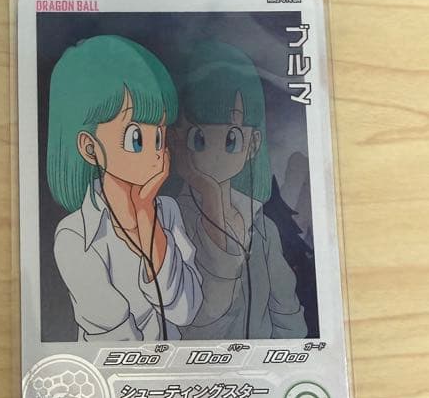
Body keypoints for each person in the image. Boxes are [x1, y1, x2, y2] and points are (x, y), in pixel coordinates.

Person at [46, 35, 201, 341]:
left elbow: (185, 311)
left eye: (159, 136)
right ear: (90, 147)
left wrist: (146, 216)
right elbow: (114, 342)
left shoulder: (167, 212)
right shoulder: (75, 236)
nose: (157, 152)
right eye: (136, 139)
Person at [170, 39, 307, 340]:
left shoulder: (263, 229)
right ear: (178, 138)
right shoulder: (173, 223)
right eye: (199, 138)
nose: (213, 154)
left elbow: (288, 315)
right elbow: (200, 324)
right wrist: (210, 196)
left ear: (253, 143)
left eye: (231, 139)